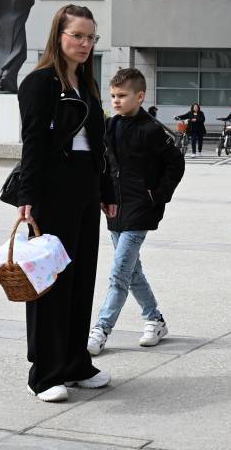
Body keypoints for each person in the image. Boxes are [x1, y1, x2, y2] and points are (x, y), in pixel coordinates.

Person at [17, 4, 115, 402]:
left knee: (80, 278)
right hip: (52, 190)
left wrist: (107, 191)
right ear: (58, 36)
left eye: (91, 37)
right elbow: (33, 142)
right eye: (77, 35)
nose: (85, 43)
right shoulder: (40, 82)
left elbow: (98, 145)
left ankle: (75, 364)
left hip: (84, 188)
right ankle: (44, 374)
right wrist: (27, 196)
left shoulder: (86, 85)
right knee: (50, 282)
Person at [87, 68, 185, 356]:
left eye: (122, 95)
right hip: (114, 209)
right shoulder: (110, 126)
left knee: (119, 273)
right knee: (132, 271)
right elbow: (105, 165)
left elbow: (176, 164)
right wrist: (103, 196)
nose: (116, 101)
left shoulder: (152, 130)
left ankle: (101, 329)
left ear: (140, 97)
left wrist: (157, 195)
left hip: (140, 210)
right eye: (113, 96)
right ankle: (154, 319)